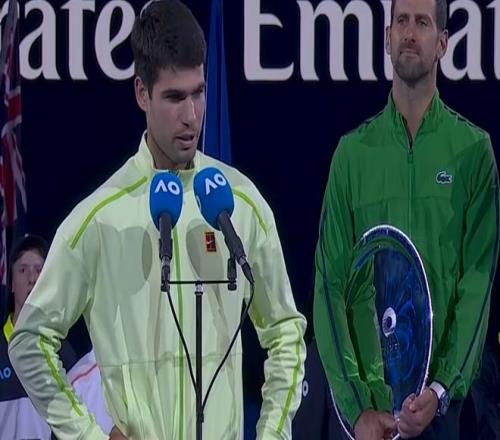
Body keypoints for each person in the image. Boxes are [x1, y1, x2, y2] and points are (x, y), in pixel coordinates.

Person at [8, 1, 306, 439]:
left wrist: (272, 434)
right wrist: (88, 434)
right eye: (174, 97)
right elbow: (29, 341)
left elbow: (285, 332)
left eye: (199, 93)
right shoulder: (100, 219)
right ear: (142, 93)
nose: (191, 116)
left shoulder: (241, 204)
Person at [313, 0, 499, 439]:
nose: (410, 33)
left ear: (442, 43)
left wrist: (441, 388)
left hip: (448, 413)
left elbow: (477, 284)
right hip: (372, 416)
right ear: (386, 38)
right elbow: (330, 285)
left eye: (422, 22)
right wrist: (357, 407)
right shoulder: (351, 155)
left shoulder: (473, 152)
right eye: (401, 21)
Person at [0, 234, 112, 439]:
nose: (32, 278)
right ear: (12, 283)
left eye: (39, 270)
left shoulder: (62, 353)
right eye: (23, 270)